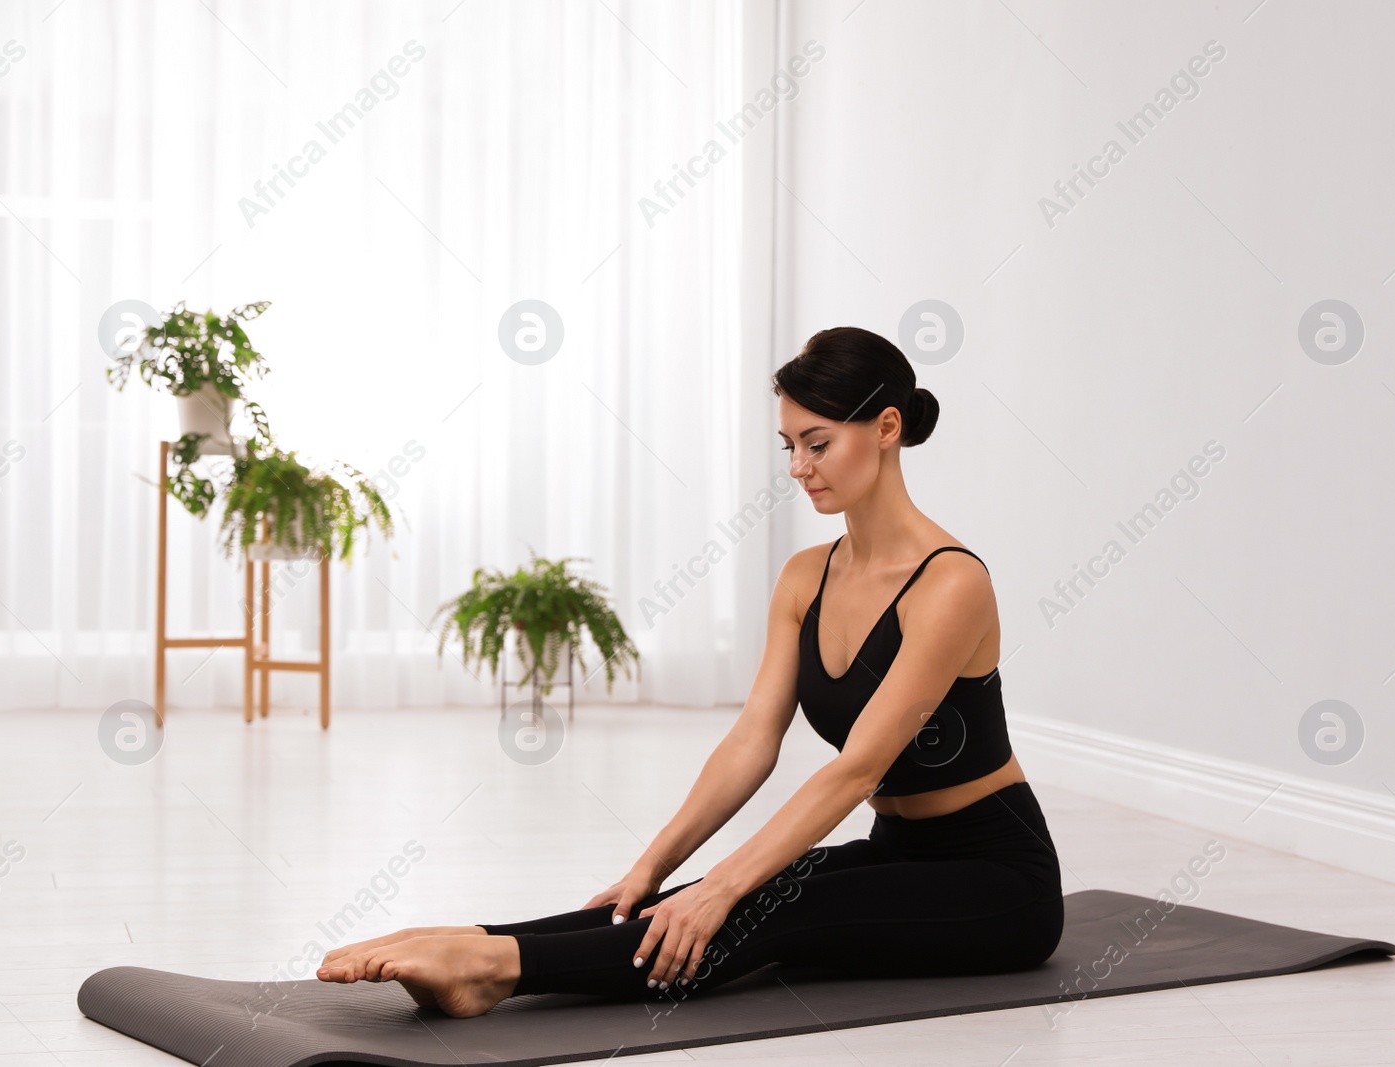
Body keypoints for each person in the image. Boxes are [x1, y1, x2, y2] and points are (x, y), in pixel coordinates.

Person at [316, 325, 1065, 1017]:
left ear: (888, 428)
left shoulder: (950, 582)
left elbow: (857, 771)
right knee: (686, 900)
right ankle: (476, 935)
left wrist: (724, 883)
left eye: (818, 442)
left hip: (997, 879)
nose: (800, 467)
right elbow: (751, 740)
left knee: (759, 909)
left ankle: (493, 967)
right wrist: (653, 866)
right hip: (895, 854)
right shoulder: (807, 575)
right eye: (788, 447)